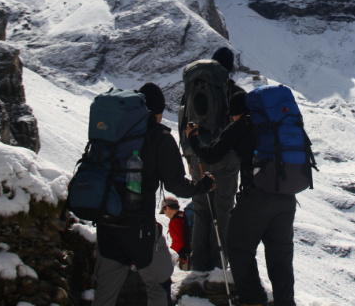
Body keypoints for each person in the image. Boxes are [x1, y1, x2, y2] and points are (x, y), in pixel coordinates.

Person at [92, 82, 214, 306]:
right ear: (158, 111)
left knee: (105, 294)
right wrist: (203, 185)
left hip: (106, 225)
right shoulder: (160, 138)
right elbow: (176, 185)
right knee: (159, 285)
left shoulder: (113, 132)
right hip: (139, 229)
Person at [186, 91, 298, 306]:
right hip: (286, 198)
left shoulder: (241, 125)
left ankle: (254, 300)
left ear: (236, 113)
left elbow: (211, 155)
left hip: (257, 197)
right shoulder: (275, 123)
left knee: (238, 247)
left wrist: (193, 137)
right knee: (280, 256)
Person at [178, 47, 244, 284]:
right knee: (223, 208)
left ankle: (199, 266)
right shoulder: (234, 92)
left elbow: (183, 123)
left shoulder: (191, 90)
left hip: (198, 156)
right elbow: (243, 128)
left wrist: (189, 157)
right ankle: (220, 266)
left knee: (201, 208)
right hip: (225, 158)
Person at [161, 196, 189, 267]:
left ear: (167, 208)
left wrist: (171, 253)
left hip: (184, 256)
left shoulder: (175, 222)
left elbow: (178, 242)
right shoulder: (184, 216)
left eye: (164, 211)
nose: (165, 214)